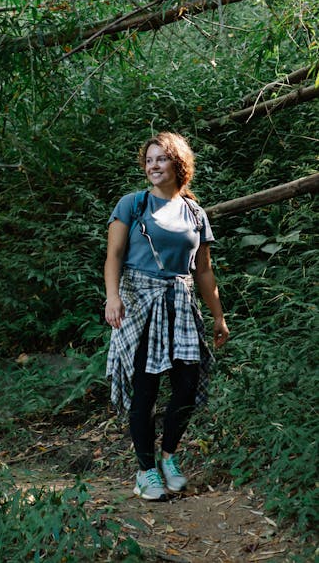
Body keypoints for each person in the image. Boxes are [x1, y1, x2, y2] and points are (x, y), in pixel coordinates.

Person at [104, 132, 229, 500]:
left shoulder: (195, 212)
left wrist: (218, 317)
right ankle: (145, 471)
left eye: (161, 159)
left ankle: (169, 457)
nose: (153, 166)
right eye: (149, 160)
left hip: (181, 301)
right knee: (145, 390)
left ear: (178, 164)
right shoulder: (132, 204)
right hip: (140, 302)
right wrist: (113, 297)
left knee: (187, 386)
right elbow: (113, 256)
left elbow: (204, 271)